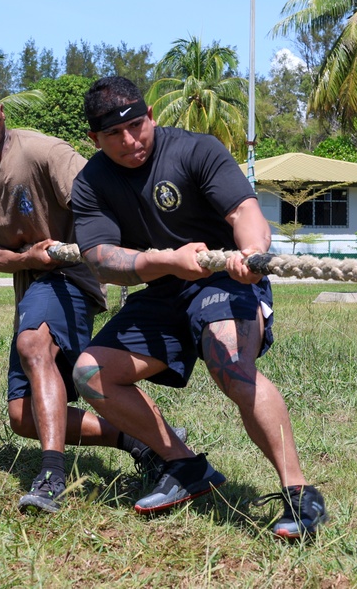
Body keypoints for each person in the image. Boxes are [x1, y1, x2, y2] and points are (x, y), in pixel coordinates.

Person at [70, 76, 327, 539]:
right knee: (90, 372)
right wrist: (164, 260)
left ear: (150, 115)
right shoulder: (90, 182)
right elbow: (100, 259)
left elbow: (244, 210)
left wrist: (251, 252)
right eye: (114, 135)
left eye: (136, 126)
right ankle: (184, 466)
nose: (130, 141)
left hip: (224, 280)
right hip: (163, 288)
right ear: (95, 139)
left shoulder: (196, 150)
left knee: (229, 362)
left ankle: (300, 494)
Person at [0, 82, 183, 513]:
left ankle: (51, 475)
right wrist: (25, 257)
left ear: (1, 111)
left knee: (32, 342)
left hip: (75, 273)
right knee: (22, 418)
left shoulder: (42, 151)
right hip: (32, 281)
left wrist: (131, 255)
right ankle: (143, 440)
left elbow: (99, 199)